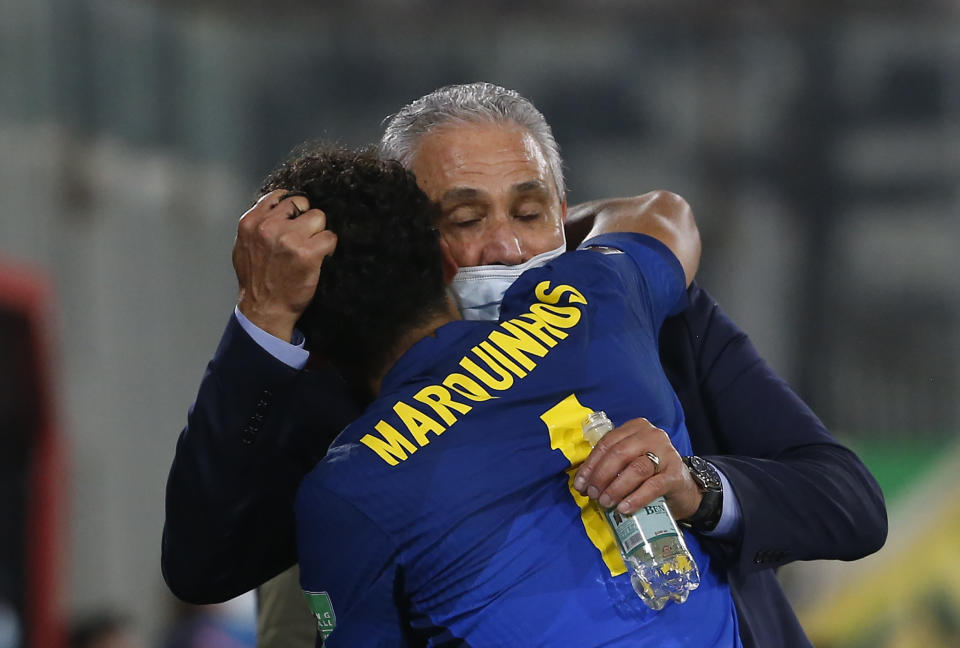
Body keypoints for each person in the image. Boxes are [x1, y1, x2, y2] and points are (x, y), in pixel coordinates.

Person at [162, 83, 887, 648]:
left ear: (565, 213)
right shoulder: (337, 391)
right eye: (467, 220)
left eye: (531, 211)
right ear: (411, 242)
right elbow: (204, 565)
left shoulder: (645, 316)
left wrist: (700, 487)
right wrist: (262, 323)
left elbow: (849, 501)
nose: (508, 249)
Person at [280, 145, 738, 645]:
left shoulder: (350, 485)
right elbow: (662, 211)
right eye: (468, 221)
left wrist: (265, 313)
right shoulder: (587, 298)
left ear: (313, 350)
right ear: (448, 261)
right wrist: (543, 241)